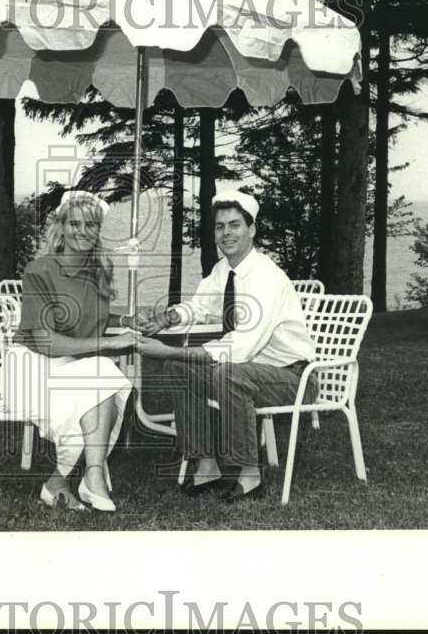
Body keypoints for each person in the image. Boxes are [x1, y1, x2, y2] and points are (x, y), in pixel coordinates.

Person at [133, 189, 318, 503]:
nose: (226, 233)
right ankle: (206, 465)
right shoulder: (223, 271)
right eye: (220, 227)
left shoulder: (266, 277)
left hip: (294, 378)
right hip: (251, 371)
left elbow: (240, 348)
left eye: (235, 225)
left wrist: (168, 350)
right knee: (179, 368)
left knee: (225, 372)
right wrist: (165, 319)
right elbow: (198, 306)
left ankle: (250, 474)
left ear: (252, 230)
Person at [4, 191, 135, 512]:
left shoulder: (97, 270)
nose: (82, 231)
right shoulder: (40, 270)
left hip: (71, 364)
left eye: (91, 225)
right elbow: (47, 341)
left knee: (102, 377)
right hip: (32, 368)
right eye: (75, 223)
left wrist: (126, 320)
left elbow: (89, 318)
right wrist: (110, 343)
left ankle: (79, 479)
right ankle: (84, 479)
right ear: (61, 227)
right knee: (104, 374)